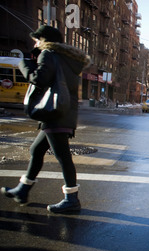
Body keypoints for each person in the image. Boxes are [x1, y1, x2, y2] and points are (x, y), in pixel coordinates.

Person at [1, 25, 90, 213]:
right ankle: (23, 190)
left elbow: (39, 79)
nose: (35, 42)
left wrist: (23, 64)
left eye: (37, 39)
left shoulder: (49, 54)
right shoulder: (69, 60)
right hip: (63, 112)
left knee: (63, 157)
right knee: (37, 149)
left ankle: (71, 199)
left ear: (44, 40)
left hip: (54, 113)